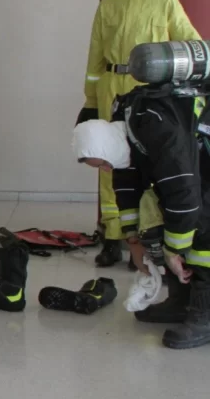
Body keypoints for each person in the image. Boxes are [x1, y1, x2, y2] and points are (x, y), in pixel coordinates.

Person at [78, 0, 200, 268]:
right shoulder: (108, 4)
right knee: (110, 166)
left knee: (148, 166)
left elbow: (190, 44)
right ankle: (113, 237)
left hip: (153, 95)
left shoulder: (166, 2)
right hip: (112, 90)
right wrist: (90, 103)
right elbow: (95, 58)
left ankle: (145, 237)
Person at [73, 82, 210, 350]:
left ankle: (205, 316)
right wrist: (134, 241)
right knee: (165, 223)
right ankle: (181, 302)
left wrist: (174, 250)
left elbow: (183, 194)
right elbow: (126, 187)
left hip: (202, 172)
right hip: (194, 168)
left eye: (101, 163)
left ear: (106, 150)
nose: (105, 169)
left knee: (202, 231)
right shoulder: (124, 132)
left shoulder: (155, 129)